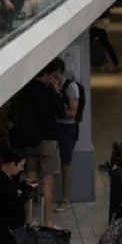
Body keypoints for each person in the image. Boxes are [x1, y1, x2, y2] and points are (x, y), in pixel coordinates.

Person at [18, 60, 66, 228]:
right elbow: (60, 112)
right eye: (50, 76)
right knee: (48, 184)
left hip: (30, 142)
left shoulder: (25, 90)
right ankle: (48, 222)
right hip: (48, 140)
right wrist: (56, 92)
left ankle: (29, 220)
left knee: (30, 180)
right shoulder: (47, 92)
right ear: (45, 74)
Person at [0, 149, 35, 244]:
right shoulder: (2, 181)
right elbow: (14, 204)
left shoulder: (8, 177)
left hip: (12, 226)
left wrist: (24, 185)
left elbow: (15, 189)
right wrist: (27, 193)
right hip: (6, 230)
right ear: (12, 164)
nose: (22, 169)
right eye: (20, 165)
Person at [53, 58, 80, 213]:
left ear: (60, 71)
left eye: (54, 72)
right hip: (54, 126)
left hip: (67, 128)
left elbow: (72, 112)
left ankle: (66, 198)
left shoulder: (71, 87)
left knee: (65, 162)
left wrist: (56, 96)